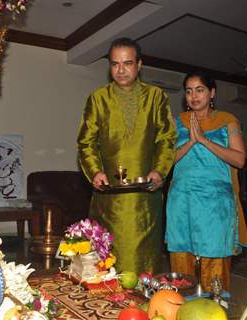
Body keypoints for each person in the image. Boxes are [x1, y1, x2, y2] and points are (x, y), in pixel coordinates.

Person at [77, 37, 177, 275]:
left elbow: (166, 138)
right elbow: (85, 142)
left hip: (146, 197)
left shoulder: (156, 97)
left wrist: (160, 170)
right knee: (107, 259)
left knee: (143, 262)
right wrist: (94, 171)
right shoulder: (98, 98)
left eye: (127, 63)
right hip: (108, 198)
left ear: (139, 65)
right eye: (115, 64)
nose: (120, 70)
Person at [165, 71, 247, 291]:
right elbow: (167, 161)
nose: (194, 96)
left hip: (215, 204)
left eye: (199, 90)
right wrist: (191, 143)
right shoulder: (177, 122)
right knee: (181, 257)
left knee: (215, 259)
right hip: (181, 200)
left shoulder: (227, 120)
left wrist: (203, 140)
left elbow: (239, 159)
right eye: (189, 91)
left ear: (212, 93)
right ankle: (179, 307)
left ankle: (215, 308)